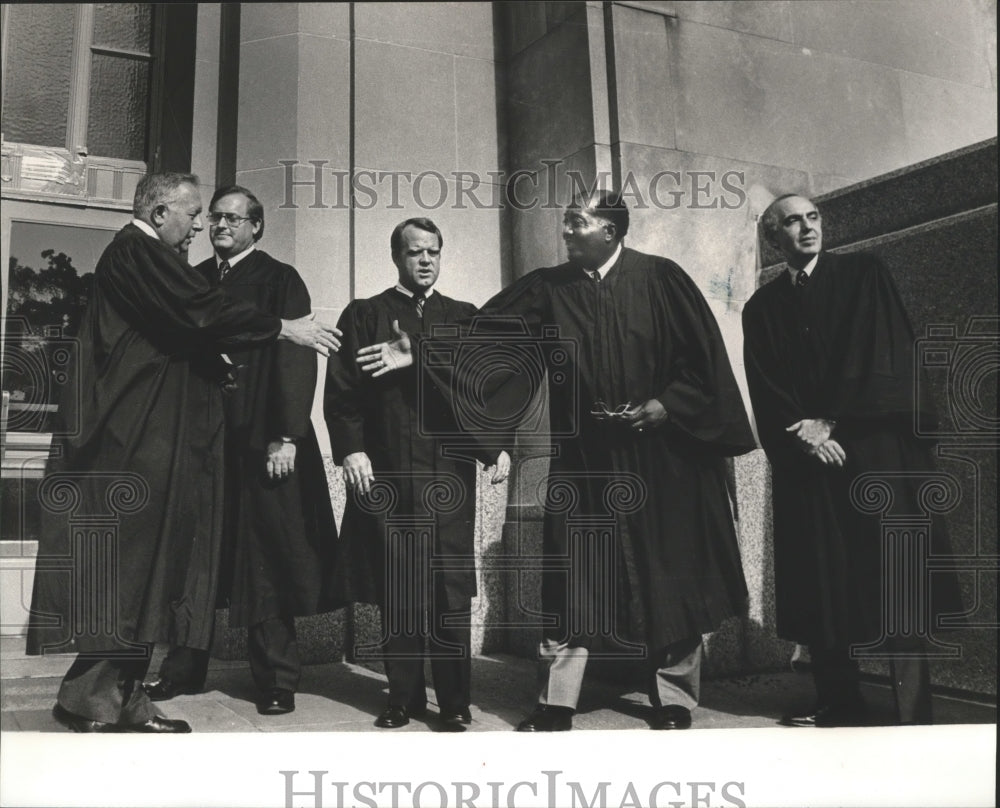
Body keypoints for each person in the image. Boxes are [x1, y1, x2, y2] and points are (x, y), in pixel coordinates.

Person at [357, 193, 755, 731]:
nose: (565, 231)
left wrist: (666, 406)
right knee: (573, 576)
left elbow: (703, 361)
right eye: (565, 221)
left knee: (669, 572)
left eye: (578, 222)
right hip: (584, 454)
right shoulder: (550, 286)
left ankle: (674, 697)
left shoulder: (662, 279)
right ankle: (557, 699)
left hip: (660, 456)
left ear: (611, 231)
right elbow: (488, 336)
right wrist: (422, 349)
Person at [25, 172, 340, 733]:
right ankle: (94, 700)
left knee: (148, 572)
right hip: (137, 439)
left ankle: (117, 698)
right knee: (135, 570)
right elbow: (197, 310)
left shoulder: (145, 257)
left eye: (216, 217)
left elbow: (174, 328)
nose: (201, 225)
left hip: (157, 438)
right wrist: (282, 329)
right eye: (195, 213)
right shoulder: (138, 253)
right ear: (160, 210)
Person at [742, 193, 963, 727]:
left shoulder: (864, 274)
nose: (806, 228)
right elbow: (766, 387)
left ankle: (913, 713)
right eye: (791, 222)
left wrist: (832, 420)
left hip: (875, 452)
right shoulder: (762, 307)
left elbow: (882, 355)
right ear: (774, 238)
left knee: (895, 578)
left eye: (812, 217)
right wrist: (804, 436)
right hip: (810, 463)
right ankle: (839, 701)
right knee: (823, 580)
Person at [142, 185, 341, 716]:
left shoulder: (280, 280)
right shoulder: (195, 280)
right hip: (205, 441)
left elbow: (297, 362)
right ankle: (182, 670)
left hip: (262, 437)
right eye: (215, 218)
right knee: (196, 557)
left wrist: (287, 435)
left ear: (257, 227)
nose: (221, 226)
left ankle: (277, 679)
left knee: (266, 557)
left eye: (233, 218)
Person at [325, 217, 510, 729]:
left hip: (448, 472)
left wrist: (495, 447)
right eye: (414, 252)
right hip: (388, 473)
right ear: (396, 257)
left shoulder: (462, 317)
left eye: (433, 251)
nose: (425, 260)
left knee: (448, 586)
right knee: (399, 585)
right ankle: (401, 698)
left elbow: (486, 383)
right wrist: (351, 451)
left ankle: (453, 702)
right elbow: (343, 395)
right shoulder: (365, 316)